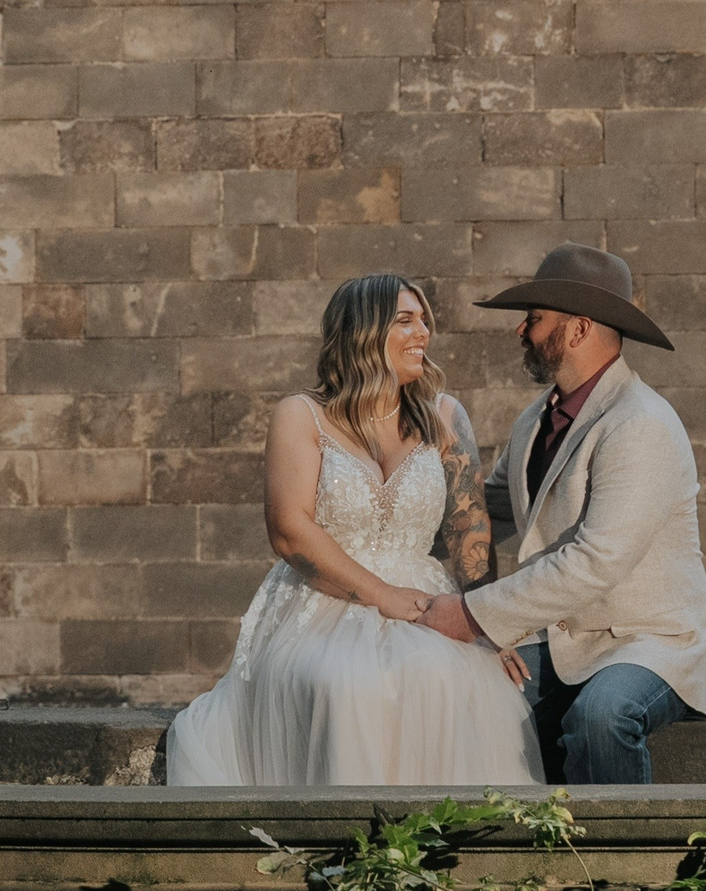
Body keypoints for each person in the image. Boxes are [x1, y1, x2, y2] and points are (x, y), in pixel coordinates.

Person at [165, 274, 542, 787]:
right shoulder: (301, 416)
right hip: (322, 600)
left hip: (425, 597)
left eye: (424, 320)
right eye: (406, 320)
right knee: (345, 683)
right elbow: (289, 531)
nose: (423, 332)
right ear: (364, 332)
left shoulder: (445, 415)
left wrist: (483, 622)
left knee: (459, 679)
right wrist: (382, 595)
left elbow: (470, 530)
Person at [416, 243, 706, 785]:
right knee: (468, 692)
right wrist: (393, 536)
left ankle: (622, 864)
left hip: (651, 640)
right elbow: (486, 512)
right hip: (565, 641)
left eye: (535, 320)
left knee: (601, 717)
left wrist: (469, 614)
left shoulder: (641, 424)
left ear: (579, 329)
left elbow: (595, 561)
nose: (522, 332)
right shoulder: (533, 421)